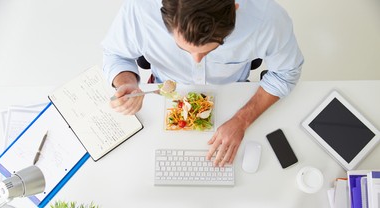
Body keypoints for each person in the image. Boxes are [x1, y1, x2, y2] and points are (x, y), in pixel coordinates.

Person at [103, 0, 304, 167]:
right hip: (161, 95)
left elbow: (286, 73)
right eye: (183, 49)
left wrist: (242, 120)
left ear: (234, 9)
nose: (196, 60)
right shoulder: (138, 11)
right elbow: (116, 54)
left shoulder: (268, 19)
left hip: (233, 97)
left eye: (210, 50)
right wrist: (125, 80)